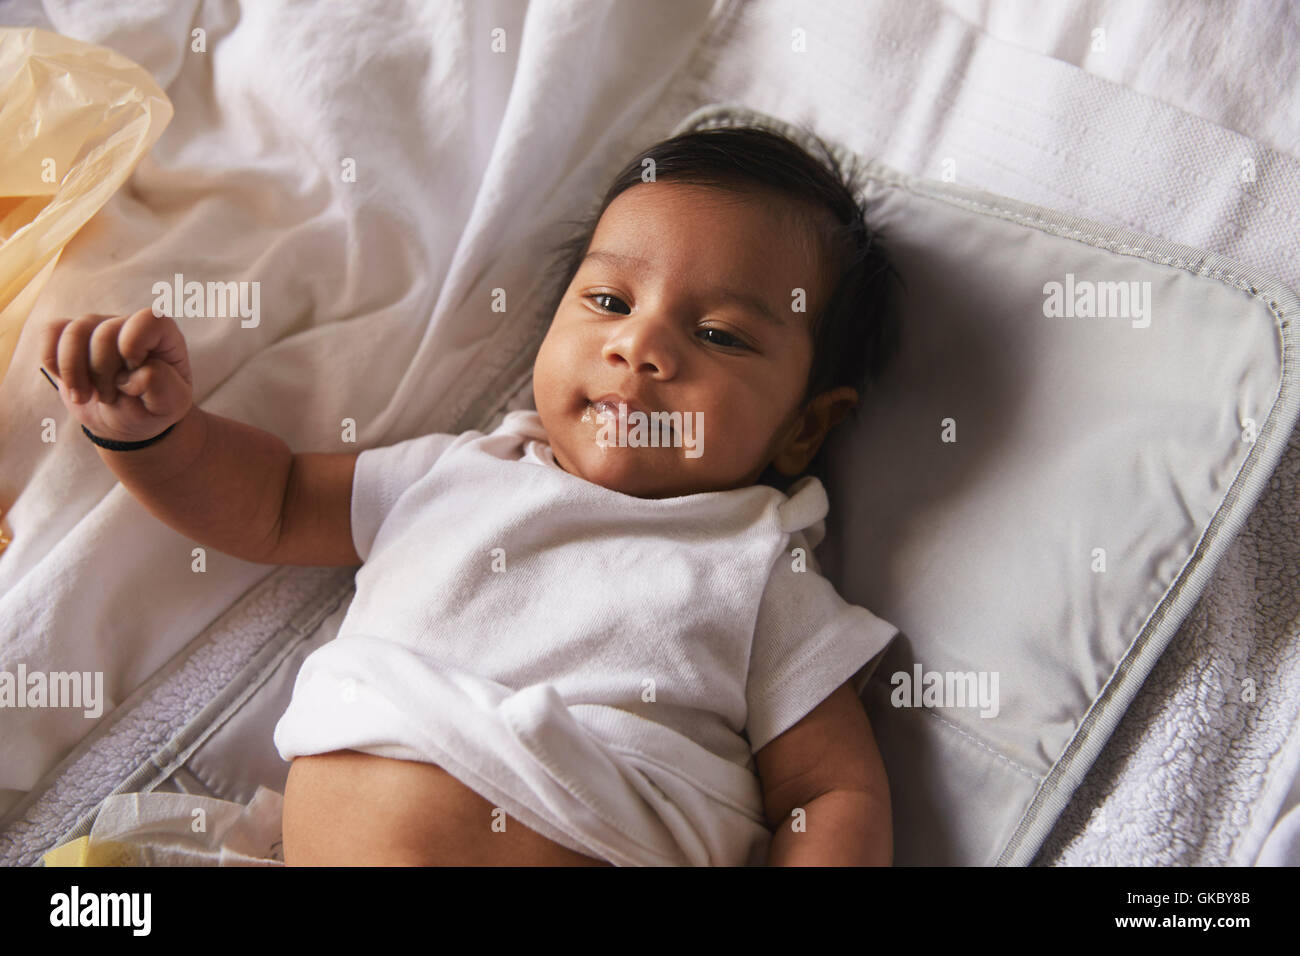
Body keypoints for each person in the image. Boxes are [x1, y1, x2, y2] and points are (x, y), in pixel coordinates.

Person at [40, 124, 905, 866]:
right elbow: (273, 499)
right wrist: (154, 436)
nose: (639, 346)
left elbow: (829, 790)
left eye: (718, 334)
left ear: (804, 428)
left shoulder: (755, 567)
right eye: (608, 300)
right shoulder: (456, 475)